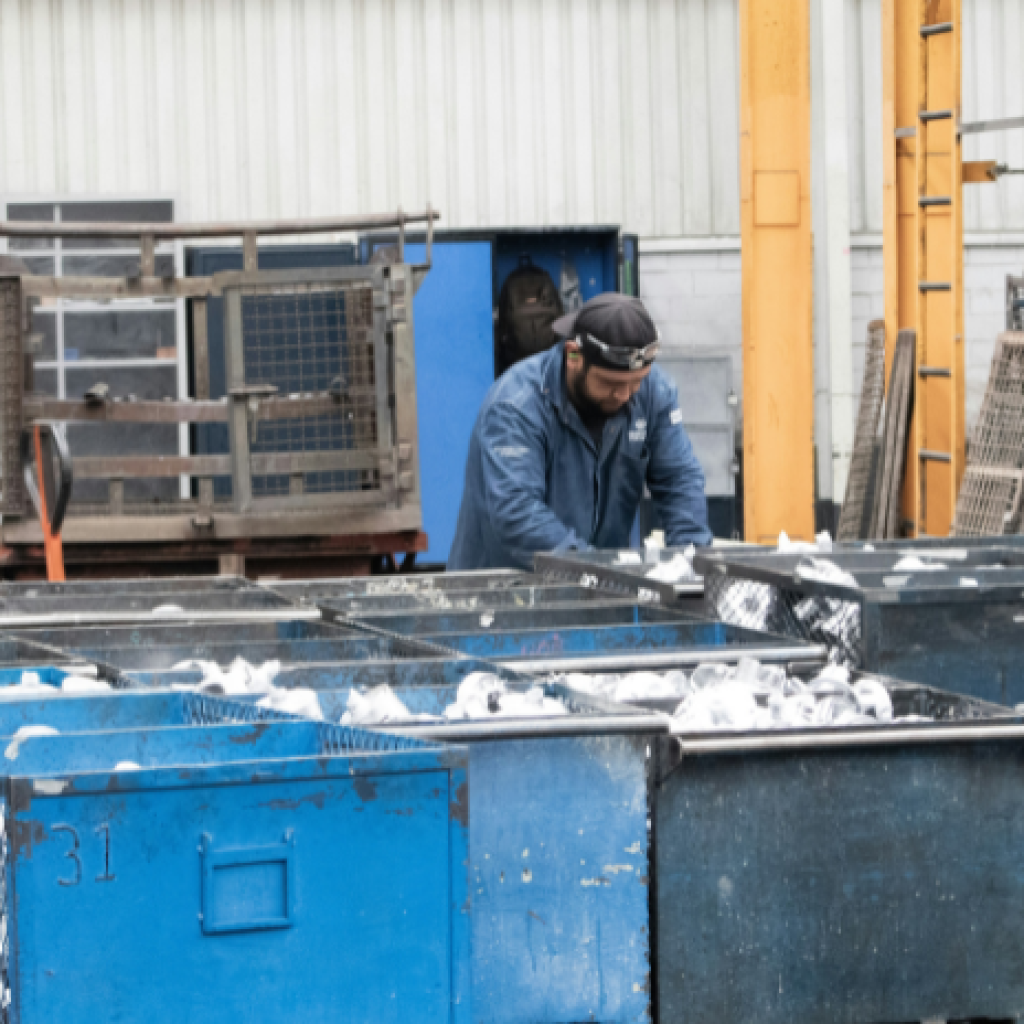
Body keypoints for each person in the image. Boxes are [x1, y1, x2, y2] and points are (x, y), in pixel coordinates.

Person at [448, 292, 711, 571]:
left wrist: (691, 561)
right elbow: (517, 512)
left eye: (636, 382)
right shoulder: (516, 405)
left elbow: (679, 480)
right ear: (573, 355)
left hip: (597, 588)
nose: (624, 395)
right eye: (610, 382)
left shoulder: (654, 391)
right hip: (502, 595)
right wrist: (598, 570)